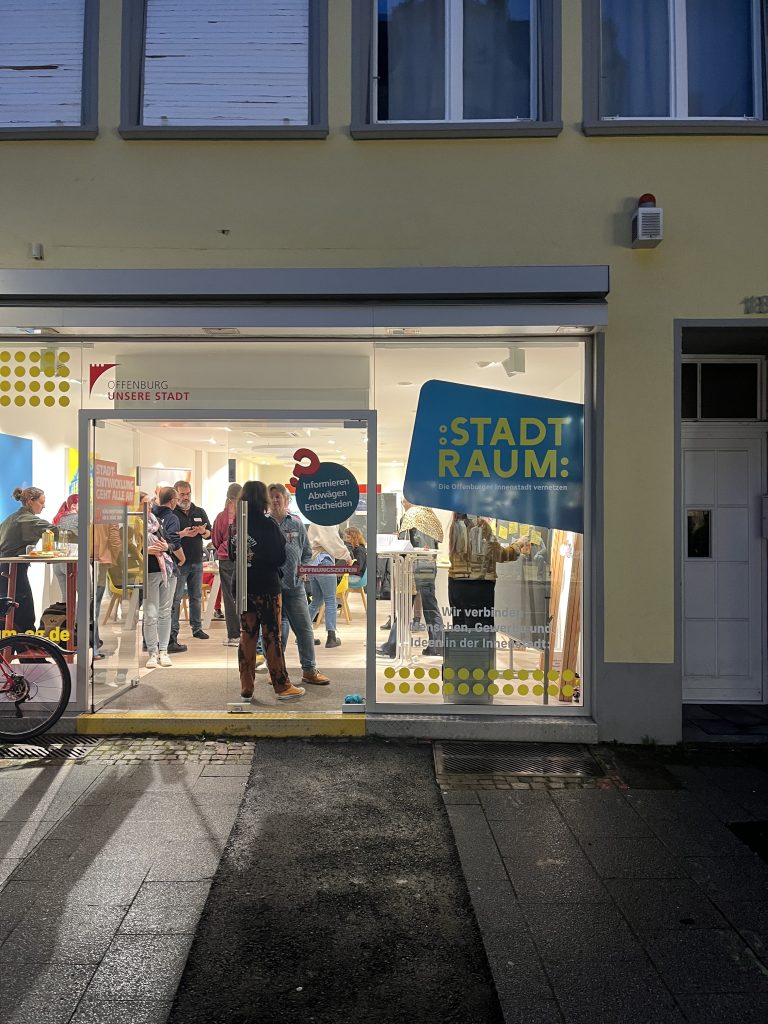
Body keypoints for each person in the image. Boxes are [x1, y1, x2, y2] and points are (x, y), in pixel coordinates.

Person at [237, 480, 304, 701]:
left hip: (244, 586)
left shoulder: (237, 524)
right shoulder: (268, 525)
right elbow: (280, 557)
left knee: (247, 635)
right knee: (272, 635)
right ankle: (281, 685)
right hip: (267, 587)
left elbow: (231, 553)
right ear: (262, 499)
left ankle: (246, 686)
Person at [268, 483, 330, 686]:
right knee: (275, 633)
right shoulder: (263, 524)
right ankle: (276, 672)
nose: (275, 500)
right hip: (271, 588)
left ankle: (309, 671)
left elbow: (306, 552)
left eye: (278, 496)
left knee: (304, 629)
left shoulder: (296, 523)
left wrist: (303, 570)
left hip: (294, 586)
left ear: (286, 500)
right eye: (271, 497)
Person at [377, 499, 445, 659]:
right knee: (430, 605)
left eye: (404, 499)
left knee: (403, 606)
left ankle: (392, 646)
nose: (402, 503)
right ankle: (437, 646)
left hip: (412, 566)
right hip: (429, 564)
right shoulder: (431, 514)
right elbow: (436, 542)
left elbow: (402, 544)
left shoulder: (410, 515)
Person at [447, 514, 530, 628]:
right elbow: (501, 555)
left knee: (460, 629)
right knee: (481, 632)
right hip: (478, 587)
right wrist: (519, 543)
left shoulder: (455, 524)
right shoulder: (481, 525)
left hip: (455, 585)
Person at [0, 486, 56, 634]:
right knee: (25, 616)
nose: (44, 506)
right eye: (41, 502)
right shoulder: (28, 520)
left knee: (8, 615)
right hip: (15, 571)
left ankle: (10, 646)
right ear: (31, 501)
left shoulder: (10, 519)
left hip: (5, 570)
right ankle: (27, 649)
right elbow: (57, 532)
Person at [144, 486, 185, 667]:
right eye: (145, 504)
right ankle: (152, 652)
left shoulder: (157, 522)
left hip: (167, 571)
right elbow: (128, 549)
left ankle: (163, 651)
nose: (150, 507)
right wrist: (145, 550)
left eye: (149, 504)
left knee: (165, 613)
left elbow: (171, 542)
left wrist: (166, 547)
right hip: (149, 571)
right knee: (151, 614)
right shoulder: (135, 525)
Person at [169, 479, 212, 652]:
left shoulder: (199, 511)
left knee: (196, 597)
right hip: (179, 562)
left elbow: (209, 534)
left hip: (197, 561)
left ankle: (197, 628)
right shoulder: (172, 514)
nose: (185, 497)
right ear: (176, 495)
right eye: (182, 494)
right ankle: (173, 633)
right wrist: (183, 534)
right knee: (176, 598)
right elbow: (168, 536)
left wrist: (203, 531)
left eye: (188, 494)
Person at [307, 522, 352, 648]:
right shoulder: (327, 521)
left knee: (317, 600)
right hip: (324, 562)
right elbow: (333, 542)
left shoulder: (313, 521)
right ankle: (331, 638)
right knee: (331, 600)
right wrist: (347, 556)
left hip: (312, 563)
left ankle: (303, 634)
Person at [211, 482, 242, 647]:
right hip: (244, 558)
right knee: (244, 596)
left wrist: (224, 548)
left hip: (226, 558)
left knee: (229, 598)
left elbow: (215, 540)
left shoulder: (221, 517)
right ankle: (247, 633)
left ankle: (234, 635)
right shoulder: (246, 514)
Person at [52, 494, 78, 601]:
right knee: (87, 595)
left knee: (66, 598)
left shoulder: (59, 519)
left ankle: (66, 613)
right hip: (72, 560)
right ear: (73, 506)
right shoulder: (79, 518)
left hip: (57, 563)